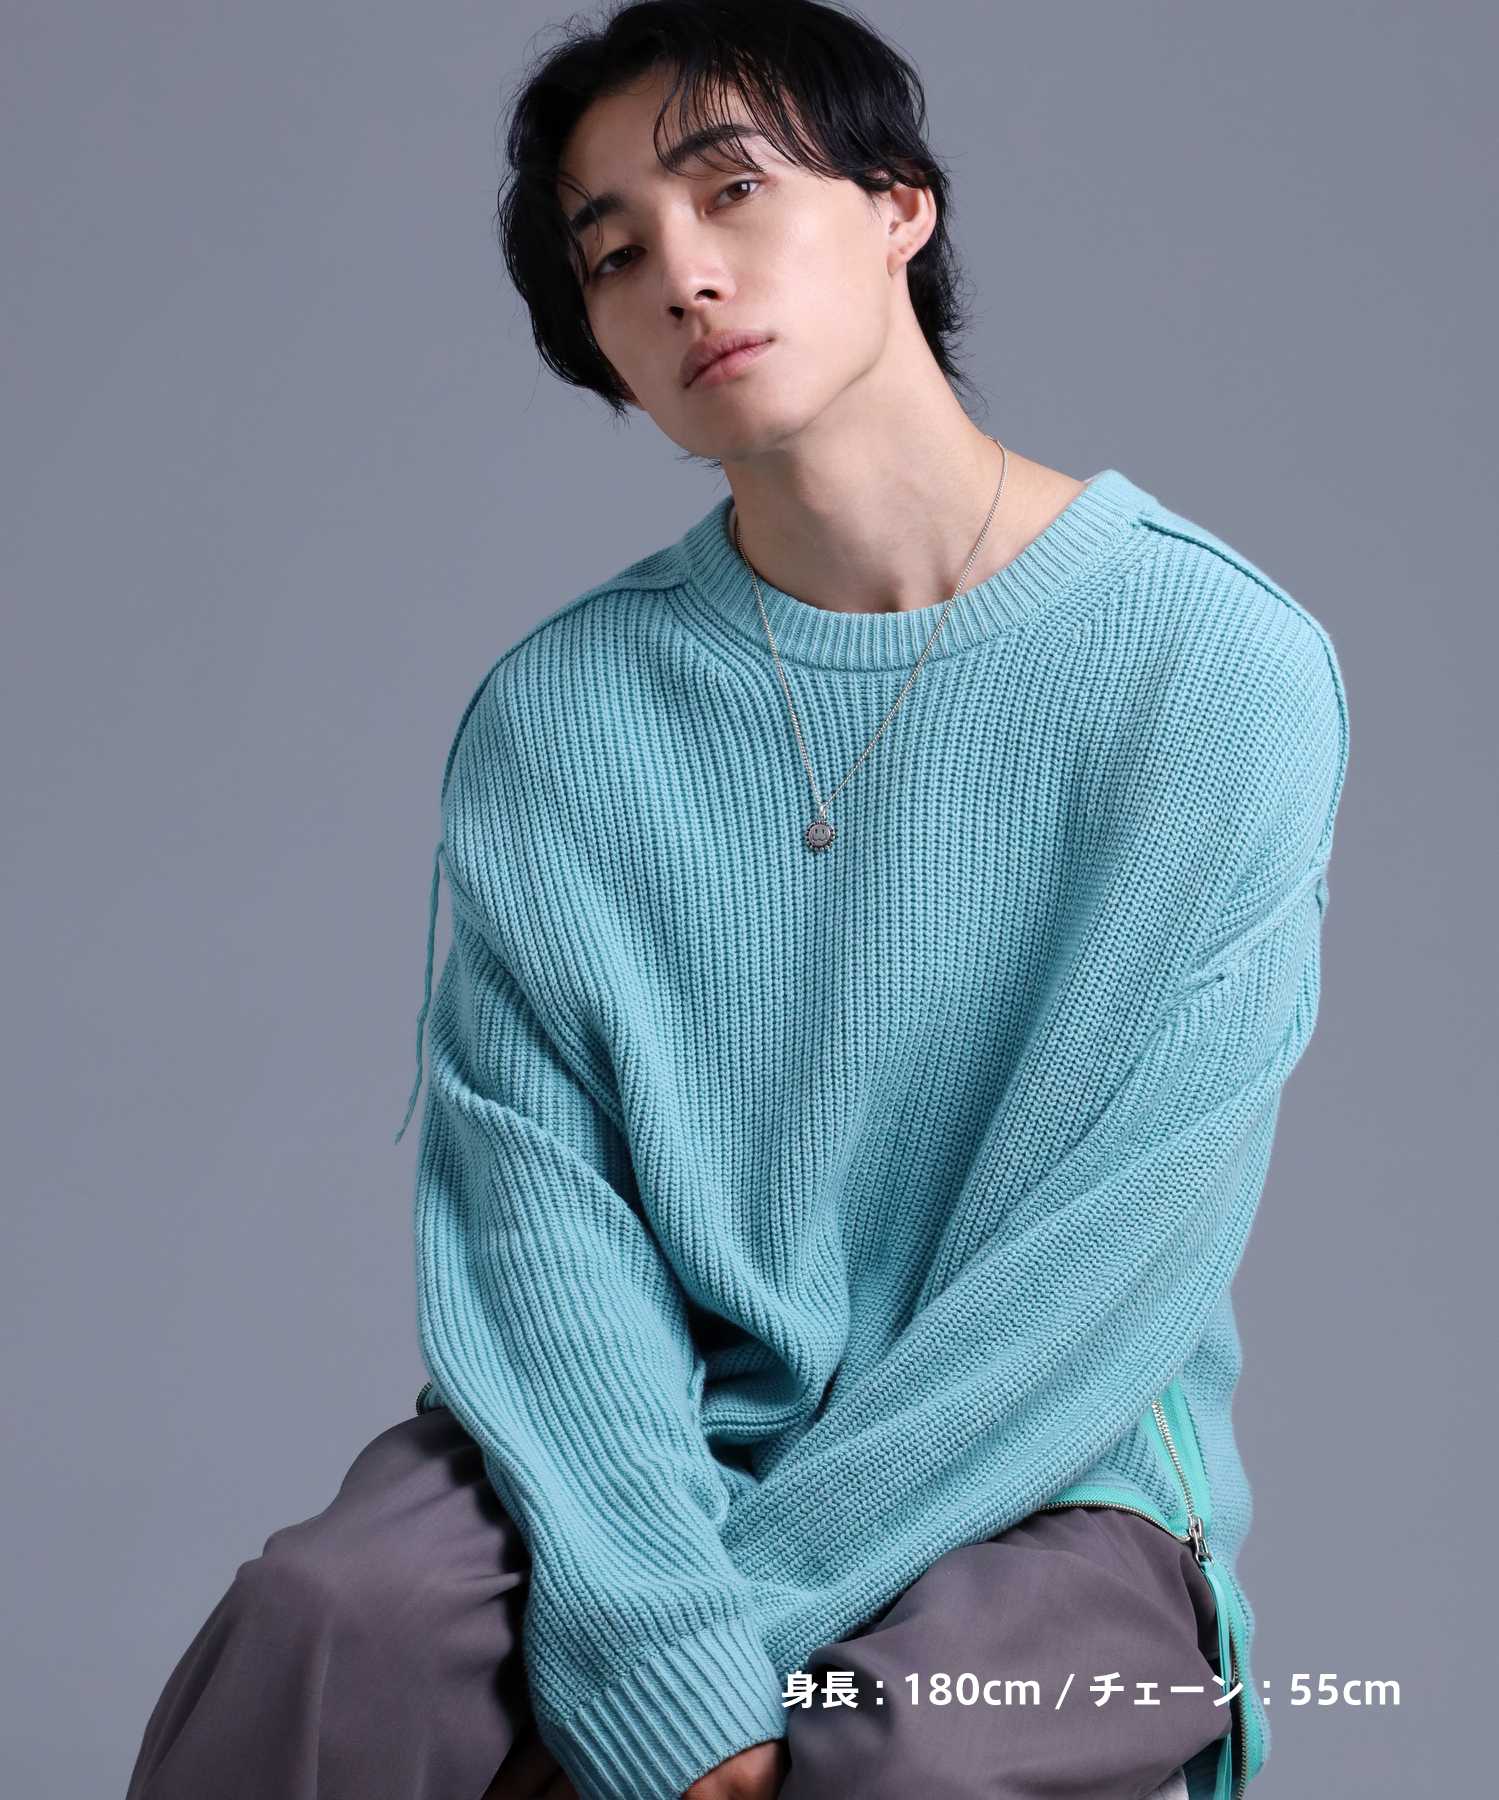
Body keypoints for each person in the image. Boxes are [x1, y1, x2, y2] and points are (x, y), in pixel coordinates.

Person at [124, 4, 1350, 1799]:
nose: (683, 277)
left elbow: (1108, 1264)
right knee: (332, 1622)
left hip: (1052, 1470)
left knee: (906, 1744)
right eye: (613, 254)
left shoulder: (1212, 664)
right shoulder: (560, 715)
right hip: (630, 1452)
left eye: (733, 192)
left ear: (900, 205)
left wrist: (716, 1664)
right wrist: (657, 1639)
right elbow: (535, 1218)